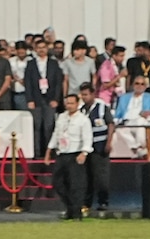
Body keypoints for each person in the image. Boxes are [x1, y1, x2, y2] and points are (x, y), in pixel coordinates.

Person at [44, 93, 92, 221]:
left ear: (77, 104)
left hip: (75, 154)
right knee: (58, 183)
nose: (69, 106)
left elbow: (88, 137)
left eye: (71, 103)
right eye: (67, 103)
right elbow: (56, 134)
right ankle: (70, 208)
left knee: (76, 185)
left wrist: (84, 153)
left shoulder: (83, 120)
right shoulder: (61, 117)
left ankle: (76, 213)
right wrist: (49, 151)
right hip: (62, 154)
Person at [79, 85, 113, 213]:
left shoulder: (102, 108)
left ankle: (103, 202)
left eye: (86, 94)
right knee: (87, 177)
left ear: (93, 94)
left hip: (100, 146)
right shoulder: (81, 110)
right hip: (86, 148)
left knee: (101, 177)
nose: (84, 97)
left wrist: (108, 142)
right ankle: (86, 203)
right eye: (82, 95)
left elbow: (111, 124)